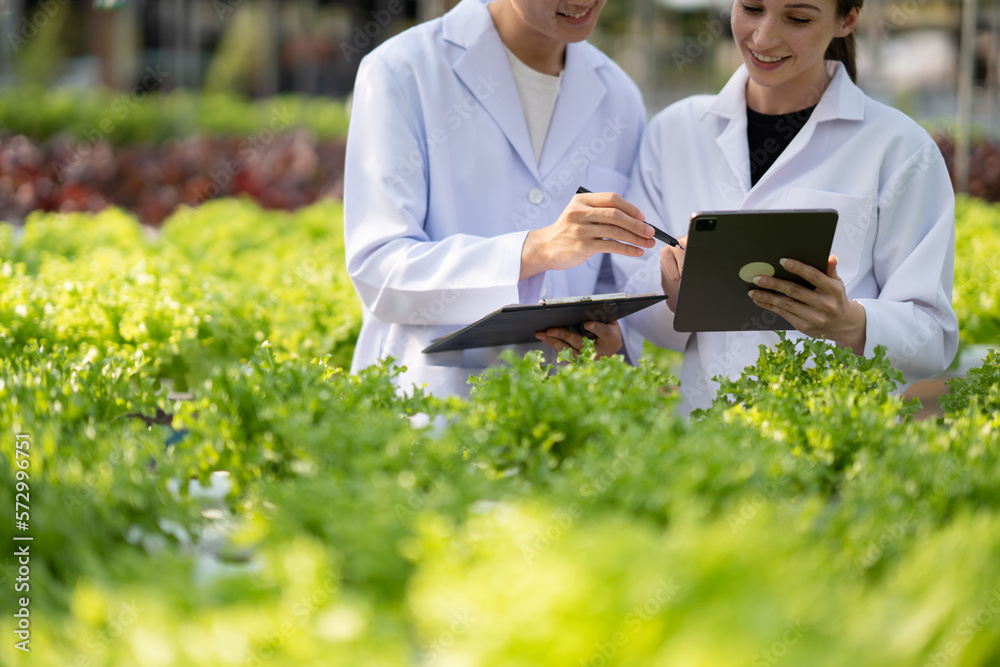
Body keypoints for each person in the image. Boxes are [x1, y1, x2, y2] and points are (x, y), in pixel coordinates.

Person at [605, 0, 959, 413]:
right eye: (752, 8)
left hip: (835, 438)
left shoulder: (899, 148)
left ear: (846, 19)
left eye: (798, 18)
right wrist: (675, 296)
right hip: (703, 445)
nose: (764, 37)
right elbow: (644, 317)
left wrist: (850, 322)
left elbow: (933, 338)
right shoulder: (675, 132)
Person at [344, 0, 657, 397]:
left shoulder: (620, 98)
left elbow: (615, 277)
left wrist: (610, 343)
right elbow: (379, 269)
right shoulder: (402, 70)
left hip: (565, 418)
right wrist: (533, 251)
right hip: (431, 404)